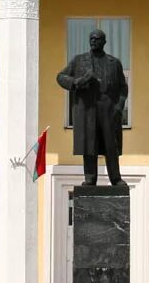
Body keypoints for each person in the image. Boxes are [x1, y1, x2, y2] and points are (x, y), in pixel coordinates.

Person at [55, 29, 129, 186]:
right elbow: (60, 77)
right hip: (87, 109)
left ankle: (115, 178)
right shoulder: (79, 60)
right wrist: (76, 82)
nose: (93, 41)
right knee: (90, 144)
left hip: (108, 109)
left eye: (97, 39)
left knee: (111, 145)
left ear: (104, 42)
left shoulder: (114, 63)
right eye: (91, 38)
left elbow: (123, 87)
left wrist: (119, 106)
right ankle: (90, 177)